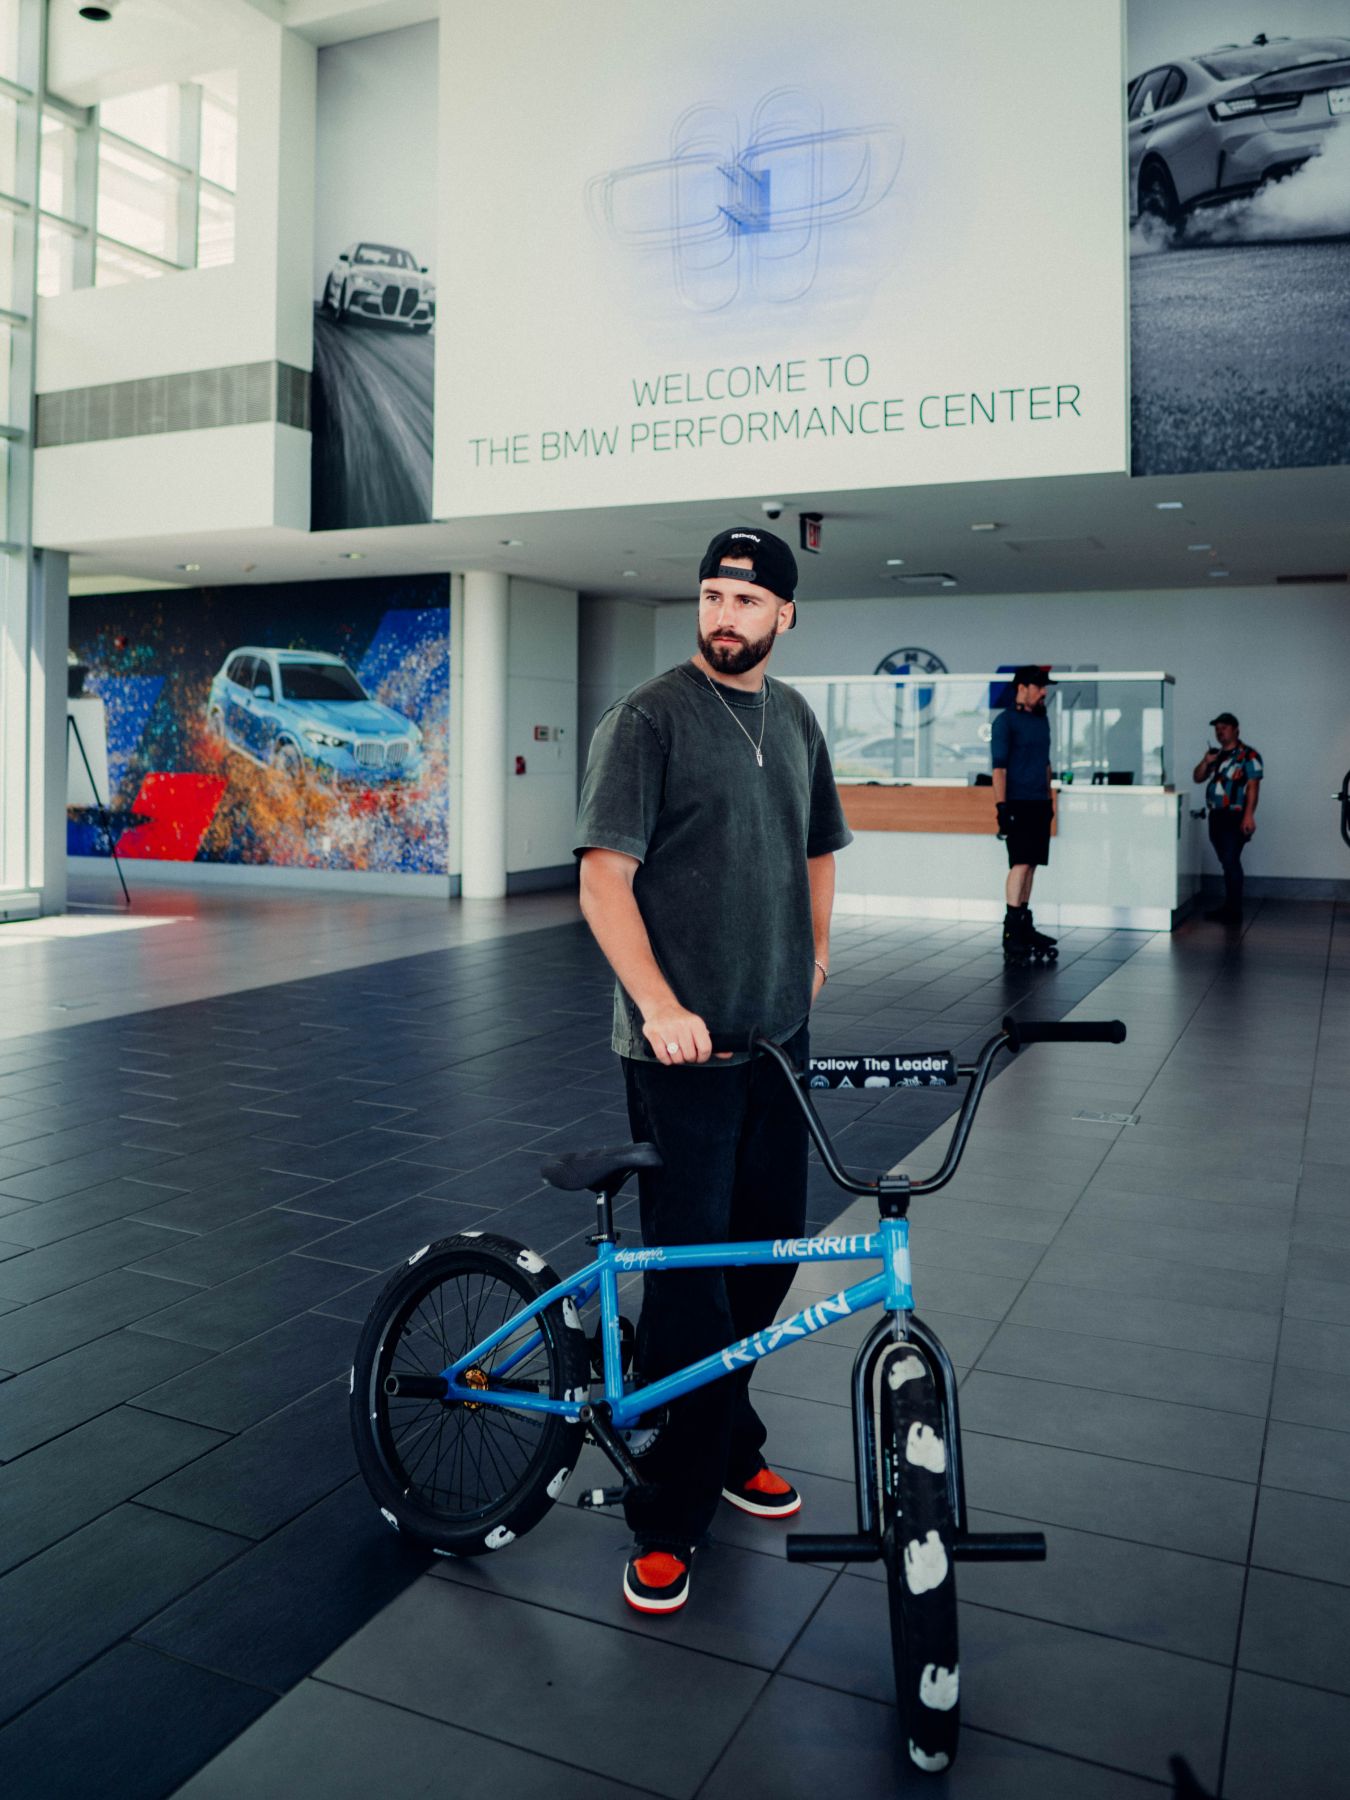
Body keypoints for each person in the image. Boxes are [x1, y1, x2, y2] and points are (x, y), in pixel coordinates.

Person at [573, 525, 852, 1616]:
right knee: (694, 1281)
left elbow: (819, 847)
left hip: (778, 1045)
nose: (725, 615)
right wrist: (661, 1006)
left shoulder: (795, 720)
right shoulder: (648, 719)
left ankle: (725, 1428)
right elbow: (604, 881)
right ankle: (670, 1511)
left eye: (747, 599)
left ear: (785, 616)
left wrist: (818, 956)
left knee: (770, 1259)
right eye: (711, 596)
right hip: (680, 1054)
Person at [990, 665, 1058, 963]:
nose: (1044, 692)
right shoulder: (1005, 722)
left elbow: (1045, 764)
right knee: (1019, 863)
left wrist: (1049, 798)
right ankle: (1011, 932)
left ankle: (1024, 925)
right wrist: (1002, 808)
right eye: (1039, 687)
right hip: (1017, 802)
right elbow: (999, 769)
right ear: (1022, 687)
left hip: (1039, 802)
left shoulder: (1041, 721)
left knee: (1031, 865)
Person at [1193, 711, 1262, 924]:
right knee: (1226, 861)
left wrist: (1248, 816)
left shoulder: (1249, 755)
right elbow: (1197, 777)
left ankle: (1233, 910)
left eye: (1224, 728)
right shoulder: (1217, 755)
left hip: (1235, 815)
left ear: (1236, 730)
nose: (1219, 732)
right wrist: (1206, 762)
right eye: (1217, 729)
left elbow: (1253, 786)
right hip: (1216, 815)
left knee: (1231, 861)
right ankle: (1230, 907)